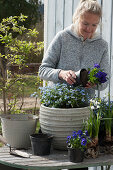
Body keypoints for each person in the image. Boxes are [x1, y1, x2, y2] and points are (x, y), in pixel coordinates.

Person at [39, 0, 110, 169]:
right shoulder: (62, 38)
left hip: (83, 114)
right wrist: (61, 73)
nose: (89, 29)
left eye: (94, 25)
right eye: (85, 23)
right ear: (76, 17)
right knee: (53, 161)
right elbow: (43, 70)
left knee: (79, 164)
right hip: (58, 114)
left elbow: (104, 82)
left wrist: (94, 83)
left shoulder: (102, 46)